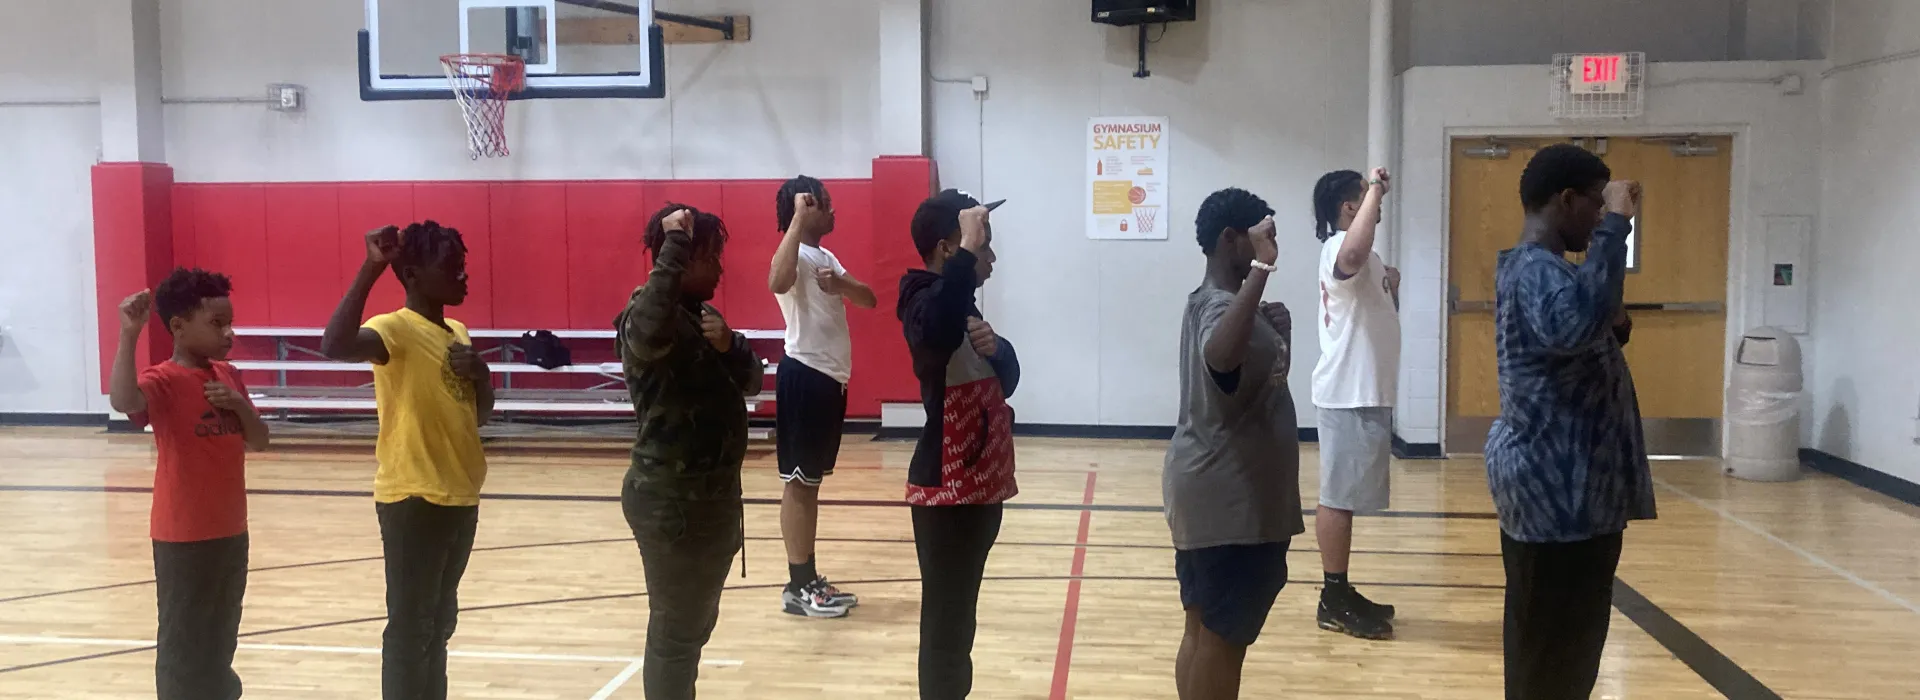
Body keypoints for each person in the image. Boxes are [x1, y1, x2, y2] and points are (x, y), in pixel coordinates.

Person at [1486, 143, 1652, 700]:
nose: (1601, 216)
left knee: (1567, 655)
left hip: (1573, 496)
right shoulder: (1536, 269)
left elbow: (1598, 328)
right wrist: (1619, 227)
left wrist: (1607, 298)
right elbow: (1576, 326)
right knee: (1553, 658)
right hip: (1556, 498)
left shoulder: (1548, 271)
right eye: (1596, 204)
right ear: (1565, 199)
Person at [320, 221, 493, 700]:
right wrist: (372, 267)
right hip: (414, 497)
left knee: (439, 623)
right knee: (411, 627)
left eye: (462, 265)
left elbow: (477, 413)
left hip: (460, 494)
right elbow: (334, 345)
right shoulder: (392, 329)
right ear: (413, 274)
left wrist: (482, 375)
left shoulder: (457, 331)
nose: (462, 275)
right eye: (451, 267)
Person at [617, 203, 764, 699]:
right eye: (711, 256)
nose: (720, 267)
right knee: (675, 634)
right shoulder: (646, 314)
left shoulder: (703, 316)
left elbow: (751, 380)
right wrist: (675, 244)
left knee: (693, 628)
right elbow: (649, 333)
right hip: (671, 502)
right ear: (680, 257)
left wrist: (731, 346)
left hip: (710, 502)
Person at [1163, 188, 1304, 700]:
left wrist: (1275, 327)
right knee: (1221, 642)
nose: (1272, 246)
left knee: (1203, 632)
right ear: (1231, 239)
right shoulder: (1219, 304)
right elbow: (1220, 358)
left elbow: (1251, 380)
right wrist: (1262, 271)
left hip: (1215, 492)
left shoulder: (1224, 304)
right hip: (1230, 502)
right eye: (1262, 237)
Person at [109, 268, 268, 700]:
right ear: (178, 327)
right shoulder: (163, 380)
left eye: (230, 323)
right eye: (217, 323)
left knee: (221, 637)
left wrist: (239, 405)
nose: (228, 333)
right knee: (183, 642)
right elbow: (123, 400)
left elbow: (260, 440)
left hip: (231, 531)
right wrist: (129, 334)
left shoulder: (229, 375)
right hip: (183, 536)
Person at [898, 189, 1020, 700]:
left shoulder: (959, 301)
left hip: (978, 487)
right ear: (949, 248)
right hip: (946, 490)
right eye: (980, 245)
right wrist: (968, 253)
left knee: (960, 620)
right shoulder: (922, 300)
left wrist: (1002, 350)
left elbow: (1005, 381)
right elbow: (936, 335)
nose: (990, 256)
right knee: (946, 623)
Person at [767, 175, 876, 618]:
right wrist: (796, 219)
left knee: (809, 483)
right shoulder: (792, 251)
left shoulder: (825, 257)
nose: (833, 212)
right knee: (799, 482)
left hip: (829, 380)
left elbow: (869, 299)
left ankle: (808, 579)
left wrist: (841, 286)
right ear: (805, 208)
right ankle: (798, 586)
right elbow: (776, 281)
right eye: (825, 204)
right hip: (805, 376)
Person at [1308, 167, 1401, 640]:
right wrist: (1377, 187)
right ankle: (1332, 598)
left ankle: (1341, 590)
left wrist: (1390, 284)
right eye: (1366, 198)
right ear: (1349, 207)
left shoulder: (1369, 256)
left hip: (1365, 393)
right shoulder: (1338, 248)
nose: (1376, 204)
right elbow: (1350, 254)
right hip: (1347, 393)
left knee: (1347, 497)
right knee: (1337, 498)